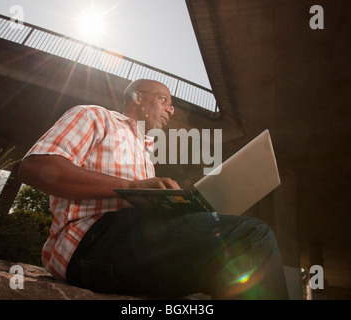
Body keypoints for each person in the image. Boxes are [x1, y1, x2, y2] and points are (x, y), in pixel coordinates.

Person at [17, 79, 289, 299]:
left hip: (128, 244)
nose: (171, 110)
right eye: (164, 100)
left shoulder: (146, 156)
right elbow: (35, 167)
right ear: (137, 97)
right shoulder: (95, 116)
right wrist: (131, 187)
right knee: (251, 236)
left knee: (228, 263)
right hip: (90, 242)